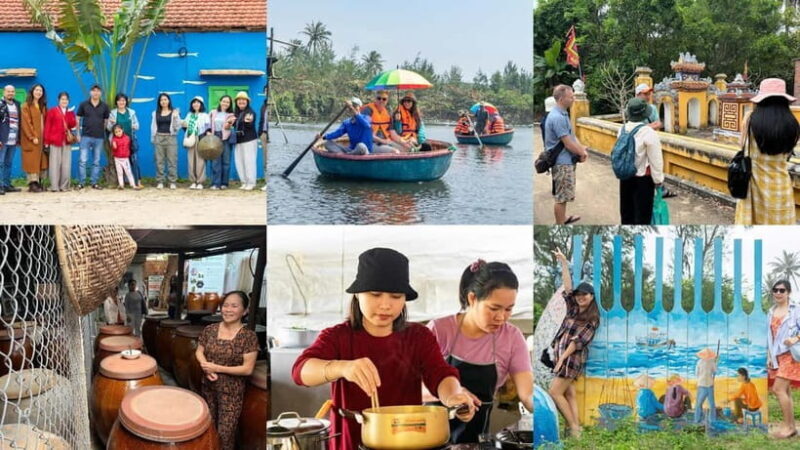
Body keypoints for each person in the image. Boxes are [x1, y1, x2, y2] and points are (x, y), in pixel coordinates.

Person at [291, 248, 477, 448]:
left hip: (407, 442)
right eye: (375, 294)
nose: (386, 305)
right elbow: (300, 371)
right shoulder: (338, 337)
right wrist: (342, 367)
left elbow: (440, 374)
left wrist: (453, 396)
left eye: (396, 296)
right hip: (351, 443)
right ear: (357, 295)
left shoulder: (419, 336)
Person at [428, 260, 533, 443]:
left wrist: (545, 410)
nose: (501, 317)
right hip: (428, 437)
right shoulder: (439, 330)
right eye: (494, 308)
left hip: (474, 442)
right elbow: (411, 385)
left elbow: (528, 394)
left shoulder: (512, 338)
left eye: (509, 309)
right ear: (472, 298)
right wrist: (453, 393)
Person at [195, 291, 259, 450]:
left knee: (225, 433)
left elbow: (247, 369)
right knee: (207, 427)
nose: (228, 309)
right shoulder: (210, 329)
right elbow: (199, 351)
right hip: (208, 387)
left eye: (234, 306)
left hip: (231, 393)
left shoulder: (248, 337)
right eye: (225, 305)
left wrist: (216, 368)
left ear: (245, 311)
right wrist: (206, 366)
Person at [547, 247, 599, 438]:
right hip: (562, 357)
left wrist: (561, 360)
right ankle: (576, 431)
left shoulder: (592, 318)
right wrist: (563, 261)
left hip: (570, 359)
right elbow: (567, 288)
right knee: (568, 393)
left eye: (585, 294)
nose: (580, 297)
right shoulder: (573, 310)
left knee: (554, 392)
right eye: (579, 295)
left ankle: (574, 427)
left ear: (591, 296)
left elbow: (578, 342)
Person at [735, 78, 800, 225]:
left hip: (753, 189)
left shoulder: (749, 119)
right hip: (780, 189)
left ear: (761, 99)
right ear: (784, 100)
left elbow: (742, 146)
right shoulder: (791, 123)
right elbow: (788, 153)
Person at [545, 85, 589, 225]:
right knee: (561, 198)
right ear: (561, 99)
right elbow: (568, 143)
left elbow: (571, 136)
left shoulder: (563, 114)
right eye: (571, 97)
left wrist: (581, 149)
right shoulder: (557, 117)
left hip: (566, 161)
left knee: (564, 195)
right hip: (562, 163)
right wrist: (581, 153)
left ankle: (563, 218)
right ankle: (560, 224)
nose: (573, 99)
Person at [618, 98, 664, 224]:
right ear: (644, 114)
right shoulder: (648, 132)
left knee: (627, 213)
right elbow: (656, 160)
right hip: (643, 179)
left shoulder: (622, 129)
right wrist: (658, 180)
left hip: (625, 177)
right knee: (642, 216)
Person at [766, 279, 800, 438]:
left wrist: (795, 338)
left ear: (788, 292)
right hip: (777, 356)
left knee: (778, 389)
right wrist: (769, 356)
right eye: (775, 290)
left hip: (790, 354)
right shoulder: (770, 312)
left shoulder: (796, 310)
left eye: (782, 290)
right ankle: (791, 426)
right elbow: (770, 337)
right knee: (785, 390)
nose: (778, 293)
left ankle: (788, 427)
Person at [76, 84, 110, 189]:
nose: (96, 93)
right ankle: (81, 183)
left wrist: (101, 131)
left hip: (99, 137)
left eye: (98, 91)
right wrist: (78, 133)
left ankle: (94, 182)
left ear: (100, 93)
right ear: (90, 92)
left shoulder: (104, 106)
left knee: (96, 161)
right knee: (82, 161)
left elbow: (106, 121)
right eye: (94, 91)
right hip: (85, 136)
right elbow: (78, 119)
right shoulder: (83, 104)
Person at [43, 91, 77, 192]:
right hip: (55, 140)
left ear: (68, 101)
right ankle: (54, 186)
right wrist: (46, 140)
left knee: (66, 164)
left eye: (66, 99)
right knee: (54, 164)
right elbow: (48, 126)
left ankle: (64, 186)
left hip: (66, 141)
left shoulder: (70, 111)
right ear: (58, 100)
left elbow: (72, 125)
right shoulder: (52, 111)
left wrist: (70, 114)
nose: (64, 101)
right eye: (62, 99)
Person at [107, 93, 142, 188]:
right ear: (116, 102)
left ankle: (137, 181)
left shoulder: (131, 112)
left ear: (126, 102)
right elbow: (109, 128)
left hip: (130, 140)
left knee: (134, 160)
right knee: (119, 163)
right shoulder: (113, 113)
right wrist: (111, 123)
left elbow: (137, 126)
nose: (121, 102)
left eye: (123, 100)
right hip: (117, 142)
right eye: (119, 100)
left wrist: (133, 126)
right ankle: (122, 182)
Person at [20, 84, 47, 192]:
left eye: (40, 91)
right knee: (31, 160)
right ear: (32, 91)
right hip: (31, 138)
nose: (38, 92)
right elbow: (26, 123)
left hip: (42, 139)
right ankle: (32, 183)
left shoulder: (42, 106)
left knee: (40, 160)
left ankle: (39, 182)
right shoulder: (26, 106)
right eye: (36, 90)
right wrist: (32, 136)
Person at [151, 93, 181, 189]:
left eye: (165, 99)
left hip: (171, 138)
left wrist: (175, 117)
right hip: (159, 137)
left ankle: (172, 181)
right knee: (159, 161)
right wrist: (153, 138)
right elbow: (153, 127)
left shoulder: (174, 112)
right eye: (161, 100)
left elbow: (178, 127)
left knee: (172, 161)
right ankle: (160, 181)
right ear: (159, 102)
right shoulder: (155, 113)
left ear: (169, 101)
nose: (163, 101)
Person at [182, 96, 211, 189]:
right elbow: (185, 127)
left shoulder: (205, 115)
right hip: (191, 138)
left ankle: (200, 181)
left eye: (198, 102)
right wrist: (184, 125)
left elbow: (208, 128)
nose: (195, 104)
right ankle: (193, 181)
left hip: (201, 138)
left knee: (200, 160)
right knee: (191, 160)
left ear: (201, 104)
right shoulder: (189, 115)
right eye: (194, 102)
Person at [232, 91, 259, 190]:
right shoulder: (236, 113)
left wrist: (246, 121)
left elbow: (249, 124)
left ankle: (251, 182)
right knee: (239, 161)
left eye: (243, 100)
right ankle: (243, 182)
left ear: (247, 102)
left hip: (249, 140)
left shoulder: (250, 112)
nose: (241, 101)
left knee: (249, 161)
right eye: (239, 100)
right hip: (238, 140)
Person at [209, 95, 236, 190]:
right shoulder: (213, 112)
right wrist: (208, 132)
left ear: (230, 104)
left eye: (228, 102)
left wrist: (229, 124)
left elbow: (228, 127)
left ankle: (224, 183)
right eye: (224, 101)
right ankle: (215, 183)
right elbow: (208, 125)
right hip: (215, 137)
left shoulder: (231, 115)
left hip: (226, 138)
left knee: (226, 161)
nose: (225, 103)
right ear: (220, 102)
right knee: (215, 161)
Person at [0, 85, 21, 194]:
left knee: (8, 163)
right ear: (4, 92)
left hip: (13, 140)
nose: (10, 93)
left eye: (12, 91)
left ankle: (6, 185)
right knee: (0, 163)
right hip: (3, 140)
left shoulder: (17, 104)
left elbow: (19, 121)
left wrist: (19, 138)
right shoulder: (1, 104)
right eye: (8, 91)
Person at [110, 124, 138, 190]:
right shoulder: (114, 139)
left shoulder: (127, 138)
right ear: (114, 133)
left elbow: (127, 146)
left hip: (125, 158)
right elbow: (114, 149)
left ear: (122, 130)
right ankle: (121, 185)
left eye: (119, 131)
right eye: (116, 132)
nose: (118, 133)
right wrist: (114, 146)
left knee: (128, 172)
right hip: (117, 158)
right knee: (119, 172)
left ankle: (133, 184)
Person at [694, 347, 717, 424]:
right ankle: (712, 420)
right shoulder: (712, 362)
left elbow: (696, 373)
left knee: (699, 403)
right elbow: (715, 371)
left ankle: (697, 419)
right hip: (709, 385)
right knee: (711, 404)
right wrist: (715, 362)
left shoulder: (699, 362)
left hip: (702, 384)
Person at [258, 95, 268, 191]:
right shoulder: (263, 105)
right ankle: (266, 182)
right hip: (263, 134)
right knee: (264, 159)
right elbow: (261, 120)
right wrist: (260, 133)